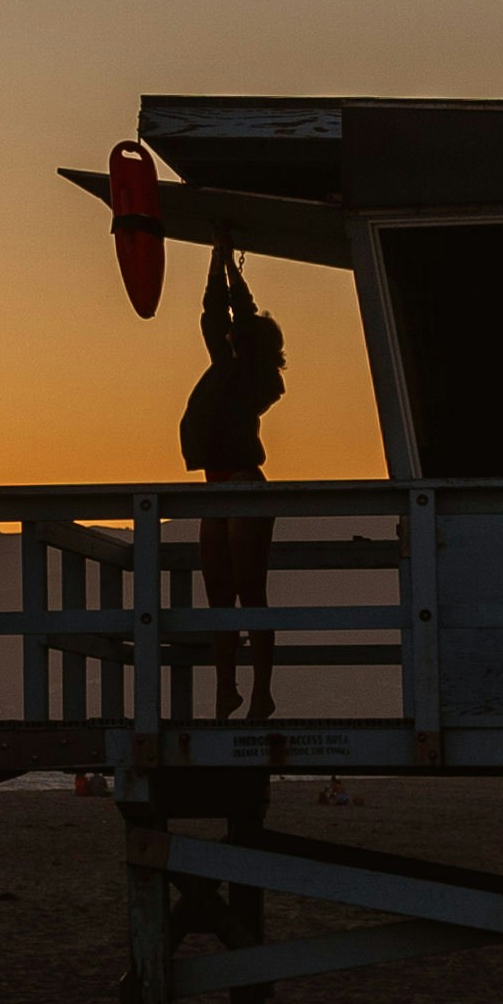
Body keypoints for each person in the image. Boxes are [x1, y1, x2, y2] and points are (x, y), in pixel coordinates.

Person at [182, 244, 285, 717]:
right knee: (219, 595)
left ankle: (260, 690)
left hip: (242, 483)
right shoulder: (230, 367)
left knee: (249, 590)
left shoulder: (253, 375)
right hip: (217, 485)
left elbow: (232, 315)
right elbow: (213, 313)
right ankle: (227, 688)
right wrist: (218, 259)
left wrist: (228, 270)